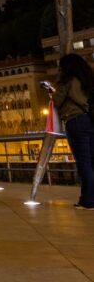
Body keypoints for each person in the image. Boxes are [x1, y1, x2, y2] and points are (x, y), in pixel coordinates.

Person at [50, 53, 94, 209]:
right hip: (91, 120)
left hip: (75, 121)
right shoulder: (88, 79)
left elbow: (57, 101)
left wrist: (53, 90)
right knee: (92, 161)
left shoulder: (67, 81)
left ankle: (88, 201)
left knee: (84, 163)